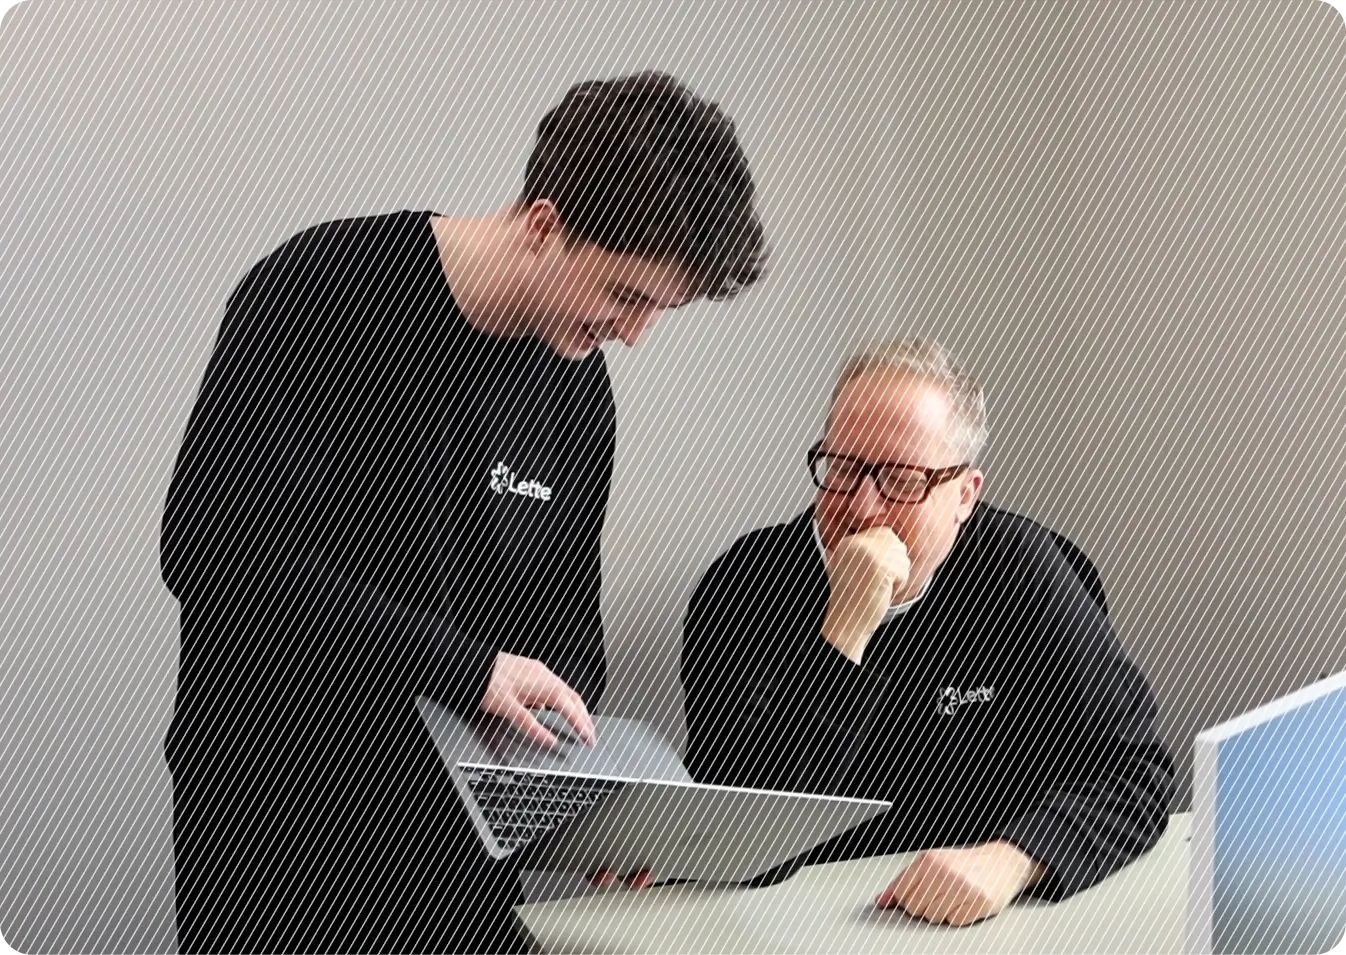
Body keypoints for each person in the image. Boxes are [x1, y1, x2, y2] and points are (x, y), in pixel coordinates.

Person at [160, 70, 767, 954]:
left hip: (460, 860)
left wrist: (599, 803)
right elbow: (214, 548)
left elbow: (563, 630)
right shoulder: (320, 290)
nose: (634, 334)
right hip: (278, 827)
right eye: (628, 295)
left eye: (659, 311)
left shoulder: (576, 387)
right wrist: (472, 668)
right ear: (544, 225)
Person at [681, 337, 1174, 927]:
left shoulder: (1025, 572)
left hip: (987, 926)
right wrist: (843, 633)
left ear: (964, 495)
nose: (861, 507)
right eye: (841, 469)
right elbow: (743, 836)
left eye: (900, 479)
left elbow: (1136, 773)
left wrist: (1016, 860)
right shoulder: (743, 584)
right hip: (798, 923)